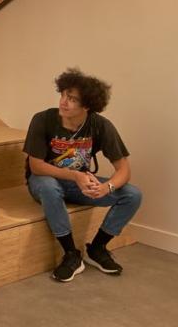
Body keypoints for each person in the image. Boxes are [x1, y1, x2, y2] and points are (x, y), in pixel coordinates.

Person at [24, 68, 143, 282]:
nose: (63, 102)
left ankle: (97, 249)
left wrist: (107, 188)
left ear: (87, 105)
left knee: (132, 194)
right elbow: (36, 166)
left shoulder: (100, 125)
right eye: (62, 95)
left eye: (72, 99)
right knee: (50, 187)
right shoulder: (42, 120)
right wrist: (75, 176)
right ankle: (71, 254)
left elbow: (124, 169)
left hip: (78, 184)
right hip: (45, 181)